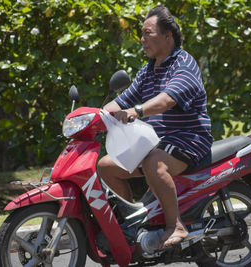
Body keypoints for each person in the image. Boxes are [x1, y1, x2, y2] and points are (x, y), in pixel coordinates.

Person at [97, 5, 213, 248]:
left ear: (167, 35)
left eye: (147, 33)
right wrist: (92, 118)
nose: (142, 39)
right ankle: (131, 227)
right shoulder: (148, 69)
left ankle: (176, 226)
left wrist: (136, 111)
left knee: (154, 163)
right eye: (141, 34)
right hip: (157, 142)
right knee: (105, 166)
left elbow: (167, 100)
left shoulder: (183, 64)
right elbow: (123, 100)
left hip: (188, 141)